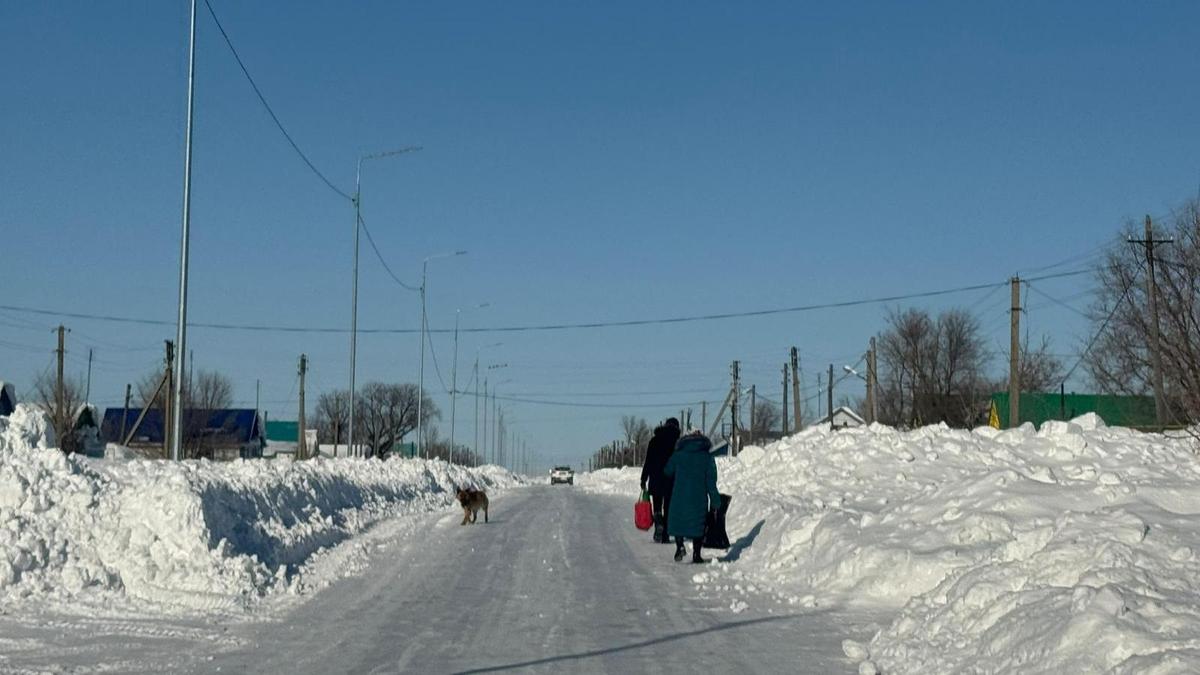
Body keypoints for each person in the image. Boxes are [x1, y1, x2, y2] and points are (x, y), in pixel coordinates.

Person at [663, 429, 721, 563]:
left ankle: (679, 546)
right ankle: (696, 554)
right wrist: (715, 501)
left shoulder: (678, 455)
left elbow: (667, 471)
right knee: (698, 525)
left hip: (679, 496)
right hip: (698, 497)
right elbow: (711, 481)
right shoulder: (707, 457)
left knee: (679, 522)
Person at [640, 417, 681, 543]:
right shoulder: (677, 443)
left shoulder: (654, 440)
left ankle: (658, 522)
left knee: (657, 504)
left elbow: (648, 461)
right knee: (668, 507)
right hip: (670, 479)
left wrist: (644, 478)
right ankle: (666, 534)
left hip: (655, 478)